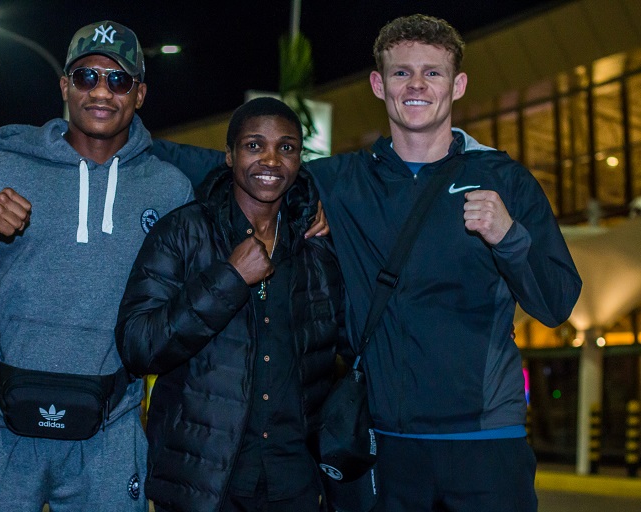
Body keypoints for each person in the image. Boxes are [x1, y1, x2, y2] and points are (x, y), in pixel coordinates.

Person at [149, 13, 582, 512]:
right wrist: (111, 138)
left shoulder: (505, 180)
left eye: (432, 72)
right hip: (381, 446)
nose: (416, 85)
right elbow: (244, 163)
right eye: (401, 73)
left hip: (485, 441)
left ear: (457, 85)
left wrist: (508, 236)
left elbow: (556, 303)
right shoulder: (342, 181)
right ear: (379, 84)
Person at [0, 20, 194, 512]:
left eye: (118, 80)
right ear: (64, 86)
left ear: (140, 94)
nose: (101, 92)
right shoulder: (6, 170)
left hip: (107, 440)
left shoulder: (168, 189)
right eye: (86, 77)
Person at [115, 97, 348, 512]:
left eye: (287, 147)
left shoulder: (315, 245)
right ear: (229, 155)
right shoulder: (183, 232)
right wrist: (229, 278)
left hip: (293, 481)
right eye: (254, 145)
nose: (271, 160)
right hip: (202, 483)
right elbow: (138, 346)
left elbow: (330, 355)